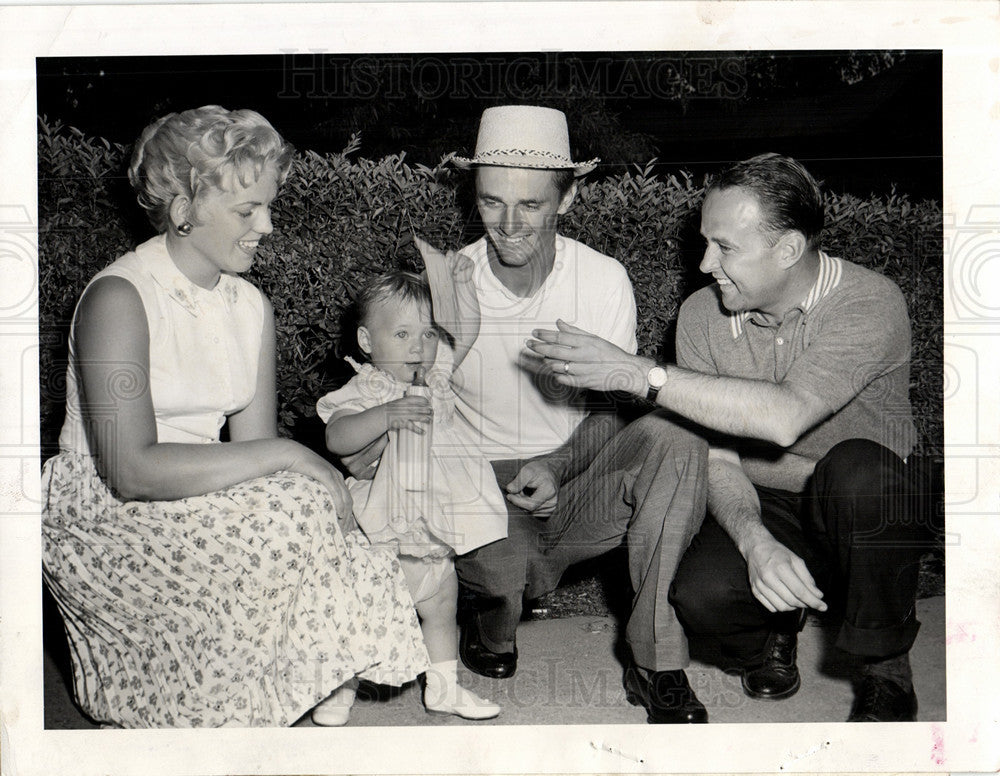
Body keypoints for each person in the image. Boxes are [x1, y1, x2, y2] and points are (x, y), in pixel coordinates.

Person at [40, 106, 430, 728]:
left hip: (200, 487)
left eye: (268, 206)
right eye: (247, 211)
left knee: (309, 505)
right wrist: (292, 455)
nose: (267, 225)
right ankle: (205, 694)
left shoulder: (249, 306)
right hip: (108, 503)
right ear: (182, 211)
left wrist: (309, 479)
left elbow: (251, 446)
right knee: (297, 492)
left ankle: (308, 673)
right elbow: (131, 468)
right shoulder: (119, 297)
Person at [343, 105, 710, 724]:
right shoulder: (449, 284)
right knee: (503, 573)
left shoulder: (602, 279)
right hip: (477, 482)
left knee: (674, 433)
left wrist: (559, 465)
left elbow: (614, 408)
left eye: (531, 205)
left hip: (580, 470)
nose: (508, 225)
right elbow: (406, 398)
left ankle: (656, 661)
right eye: (491, 203)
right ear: (474, 197)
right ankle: (490, 620)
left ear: (565, 198)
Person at [526, 153, 925, 722]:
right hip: (766, 498)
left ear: (788, 249)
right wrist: (753, 540)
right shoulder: (701, 316)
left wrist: (641, 373)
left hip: (859, 504)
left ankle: (885, 665)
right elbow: (718, 453)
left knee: (861, 470)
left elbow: (786, 416)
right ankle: (774, 631)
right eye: (704, 242)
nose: (706, 263)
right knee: (701, 597)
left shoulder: (868, 302)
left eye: (726, 247)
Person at [317, 266, 507, 721]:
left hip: (432, 528)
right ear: (366, 342)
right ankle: (340, 689)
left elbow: (464, 336)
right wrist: (387, 413)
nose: (417, 347)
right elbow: (338, 439)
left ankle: (444, 687)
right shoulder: (368, 388)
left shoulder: (434, 384)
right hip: (382, 532)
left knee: (442, 604)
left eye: (426, 334)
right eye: (401, 334)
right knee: (368, 613)